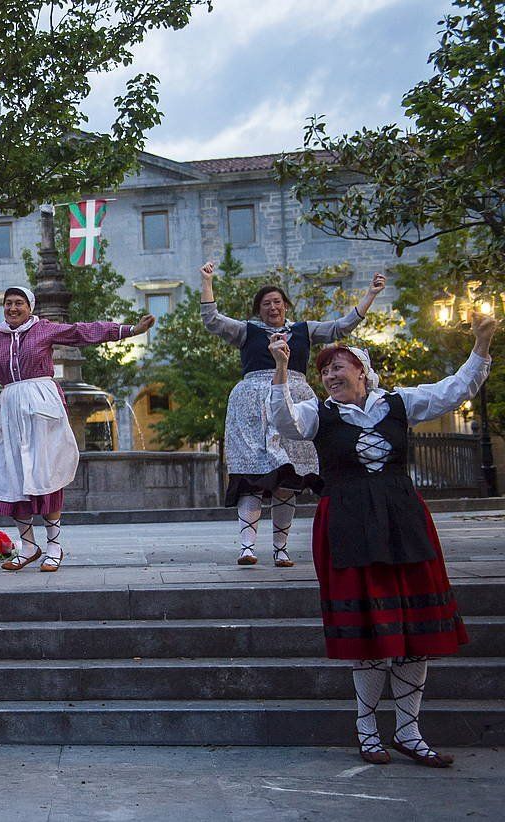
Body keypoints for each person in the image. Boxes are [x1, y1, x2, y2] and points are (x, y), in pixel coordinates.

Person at [269, 311, 495, 767]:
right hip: (349, 523)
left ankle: (409, 732)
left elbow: (454, 390)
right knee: (370, 633)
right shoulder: (319, 413)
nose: (331, 375)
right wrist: (279, 369)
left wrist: (482, 345)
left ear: (361, 371)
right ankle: (368, 731)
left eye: (339, 366)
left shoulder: (398, 402)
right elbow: (286, 423)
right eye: (325, 369)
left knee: (413, 632)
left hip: (402, 521)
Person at [0, 286, 153, 572]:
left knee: (46, 474)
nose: (12, 308)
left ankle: (54, 545)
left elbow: (83, 332)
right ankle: (29, 545)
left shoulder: (43, 329)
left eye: (19, 303)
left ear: (30, 307)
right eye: (8, 303)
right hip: (10, 409)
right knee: (11, 475)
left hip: (42, 406)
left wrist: (129, 330)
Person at [200, 262, 387, 566]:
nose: (272, 307)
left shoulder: (304, 331)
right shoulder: (247, 331)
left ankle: (280, 549)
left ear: (286, 305)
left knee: (289, 478)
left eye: (277, 302)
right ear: (258, 310)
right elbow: (212, 320)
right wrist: (207, 281)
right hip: (252, 405)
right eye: (266, 303)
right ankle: (247, 547)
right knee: (254, 475)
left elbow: (342, 326)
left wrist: (371, 294)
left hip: (294, 399)